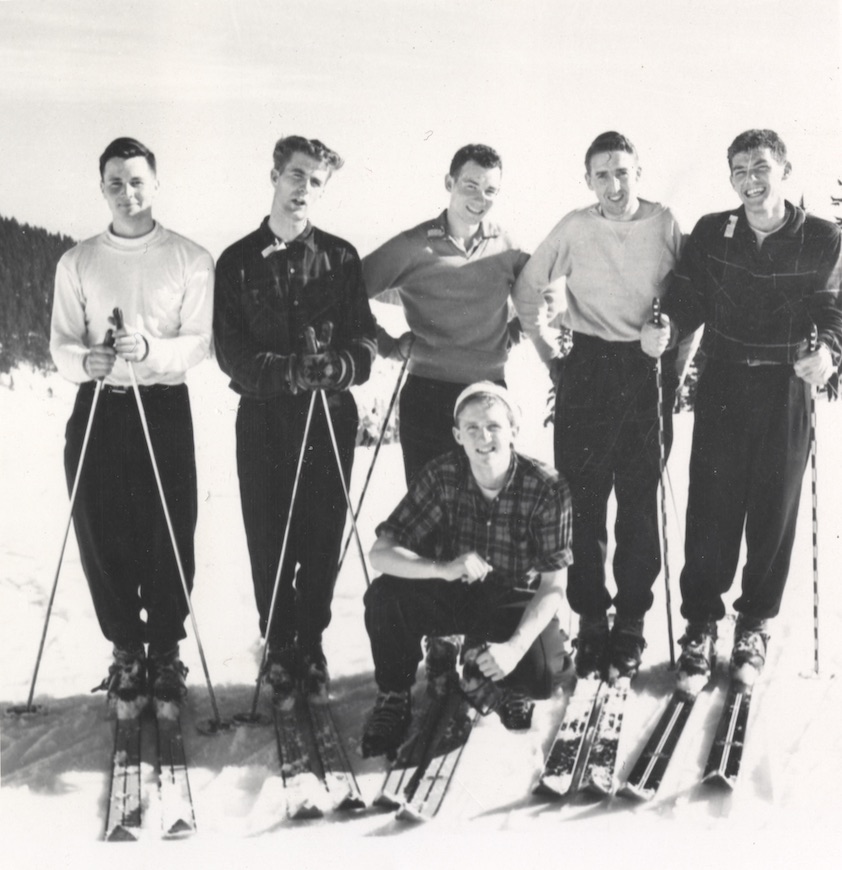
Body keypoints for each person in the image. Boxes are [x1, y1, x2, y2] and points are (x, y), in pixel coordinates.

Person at [641, 129, 842, 691]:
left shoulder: (821, 237)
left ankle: (753, 624)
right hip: (724, 380)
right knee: (712, 506)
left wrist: (827, 352)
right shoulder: (712, 233)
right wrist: (668, 326)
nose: (750, 182)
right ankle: (701, 626)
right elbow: (687, 298)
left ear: (784, 169)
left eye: (760, 168)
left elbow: (833, 308)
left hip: (786, 383)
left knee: (773, 510)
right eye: (739, 171)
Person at [513, 131, 686, 682]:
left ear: (640, 171)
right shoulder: (575, 226)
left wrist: (673, 368)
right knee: (582, 505)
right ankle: (591, 618)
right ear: (588, 179)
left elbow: (689, 301)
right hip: (586, 369)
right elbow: (526, 289)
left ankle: (631, 619)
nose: (614, 185)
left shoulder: (663, 224)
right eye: (602, 174)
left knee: (638, 502)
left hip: (643, 370)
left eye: (623, 172)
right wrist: (550, 358)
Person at [50, 137, 214, 715]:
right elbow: (62, 344)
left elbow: (198, 343)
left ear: (156, 184)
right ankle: (126, 651)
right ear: (102, 189)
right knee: (103, 530)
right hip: (101, 406)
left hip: (163, 403)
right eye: (115, 182)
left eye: (137, 180)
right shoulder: (79, 260)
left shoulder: (189, 257)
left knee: (168, 529)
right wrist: (86, 361)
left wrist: (148, 348)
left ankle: (165, 650)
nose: (127, 192)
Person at [213, 135, 376, 705]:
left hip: (328, 415)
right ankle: (279, 642)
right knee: (268, 530)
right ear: (276, 175)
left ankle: (311, 640)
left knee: (322, 530)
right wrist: (285, 372)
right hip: (264, 416)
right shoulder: (236, 261)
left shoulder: (341, 256)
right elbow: (229, 351)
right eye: (297, 175)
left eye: (316, 181)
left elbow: (365, 340)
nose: (305, 189)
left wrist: (341, 365)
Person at [362, 143, 530, 680]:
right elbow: (350, 289)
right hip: (430, 391)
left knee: (489, 510)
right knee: (432, 514)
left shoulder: (506, 245)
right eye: (470, 185)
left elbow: (541, 293)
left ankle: (480, 633)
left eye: (490, 190)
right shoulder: (416, 245)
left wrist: (517, 332)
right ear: (449, 183)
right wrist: (385, 343)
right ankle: (436, 639)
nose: (479, 198)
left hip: (487, 391)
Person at [360, 383, 572, 758]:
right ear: (458, 435)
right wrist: (441, 568)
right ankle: (395, 693)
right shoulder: (442, 474)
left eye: (493, 426)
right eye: (471, 428)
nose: (483, 437)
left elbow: (555, 584)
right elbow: (380, 553)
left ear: (513, 431)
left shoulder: (546, 486)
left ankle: (498, 672)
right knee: (385, 596)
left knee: (542, 671)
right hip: (454, 589)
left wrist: (514, 648)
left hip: (510, 600)